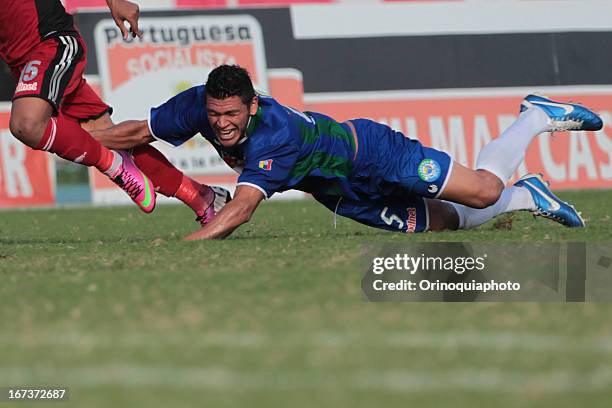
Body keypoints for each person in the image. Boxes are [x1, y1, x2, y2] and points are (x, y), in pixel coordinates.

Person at [95, 65, 603, 240]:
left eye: (232, 115)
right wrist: (83, 139)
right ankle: (527, 196)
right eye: (215, 115)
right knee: (443, 225)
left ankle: (534, 115)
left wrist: (190, 244)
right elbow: (138, 131)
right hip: (340, 193)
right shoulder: (197, 106)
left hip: (374, 153)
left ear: (252, 106)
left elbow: (243, 208)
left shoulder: (275, 135)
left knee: (482, 191)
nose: (222, 125)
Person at [1, 0, 229, 224]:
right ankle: (203, 198)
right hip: (22, 61)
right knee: (107, 135)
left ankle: (114, 165)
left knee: (27, 125)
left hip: (51, 42)